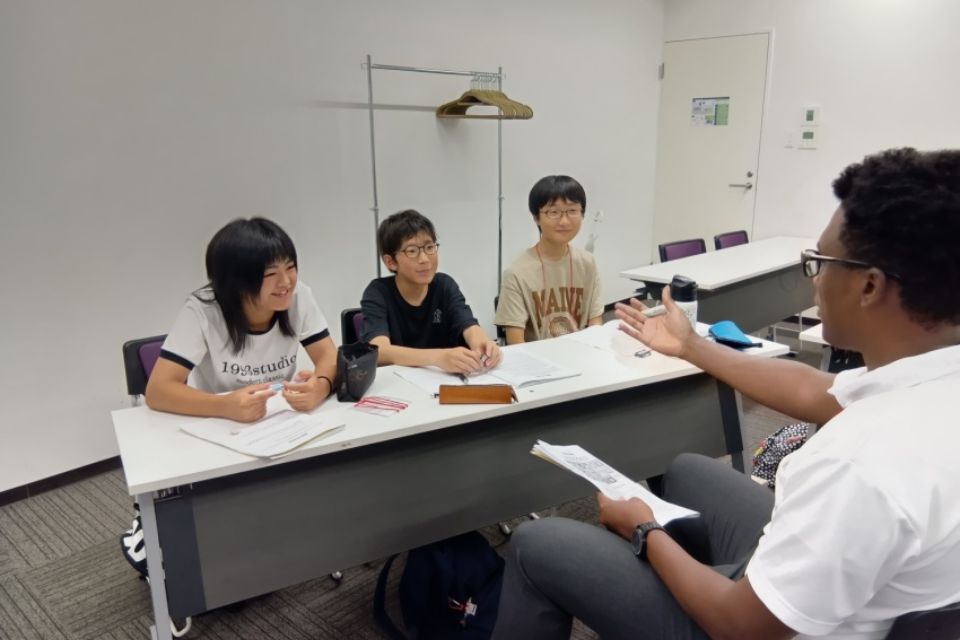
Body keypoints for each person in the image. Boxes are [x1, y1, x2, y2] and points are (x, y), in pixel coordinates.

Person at [493, 148, 960, 640]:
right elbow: (818, 390)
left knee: (536, 542)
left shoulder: (856, 465)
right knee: (687, 470)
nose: (815, 280)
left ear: (869, 287)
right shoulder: (929, 379)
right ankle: (690, 579)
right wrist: (692, 346)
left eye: (819, 262)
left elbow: (740, 626)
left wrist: (644, 530)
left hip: (752, 624)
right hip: (837, 589)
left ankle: (680, 584)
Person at [121, 217, 338, 577]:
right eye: (271, 274)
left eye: (290, 267)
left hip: (279, 428)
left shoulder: (299, 297)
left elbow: (328, 355)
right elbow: (158, 390)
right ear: (236, 281)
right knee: (219, 558)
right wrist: (225, 405)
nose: (286, 282)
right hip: (218, 433)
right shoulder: (203, 310)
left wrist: (321, 385)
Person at [360, 209, 501, 374]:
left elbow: (468, 325)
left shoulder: (444, 285)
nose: (425, 259)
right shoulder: (378, 292)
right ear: (391, 262)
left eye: (429, 247)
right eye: (412, 251)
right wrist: (438, 357)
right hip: (398, 382)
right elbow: (379, 350)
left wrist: (483, 345)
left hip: (443, 381)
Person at [494, 175, 603, 344]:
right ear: (536, 217)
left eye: (572, 211)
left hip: (582, 353)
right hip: (537, 358)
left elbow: (595, 322)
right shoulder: (517, 273)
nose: (564, 221)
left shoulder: (587, 263)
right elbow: (516, 344)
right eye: (553, 212)